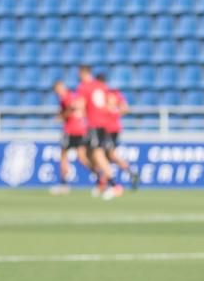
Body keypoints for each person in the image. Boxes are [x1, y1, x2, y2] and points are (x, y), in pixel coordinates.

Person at [75, 65, 122, 200]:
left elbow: (80, 106)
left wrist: (78, 111)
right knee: (85, 153)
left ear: (83, 73)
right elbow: (110, 103)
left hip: (94, 124)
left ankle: (113, 184)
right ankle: (102, 180)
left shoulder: (84, 87)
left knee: (96, 153)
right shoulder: (101, 86)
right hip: (104, 124)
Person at [51, 80, 91, 195]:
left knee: (64, 156)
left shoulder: (66, 97)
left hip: (70, 130)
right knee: (82, 158)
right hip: (81, 129)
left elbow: (69, 111)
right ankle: (100, 178)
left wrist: (61, 116)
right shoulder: (74, 96)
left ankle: (64, 184)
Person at [99, 75, 139, 190]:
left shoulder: (107, 94)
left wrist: (112, 113)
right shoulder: (113, 93)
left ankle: (129, 173)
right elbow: (125, 108)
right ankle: (106, 181)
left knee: (108, 155)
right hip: (113, 129)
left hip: (109, 129)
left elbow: (125, 108)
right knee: (107, 156)